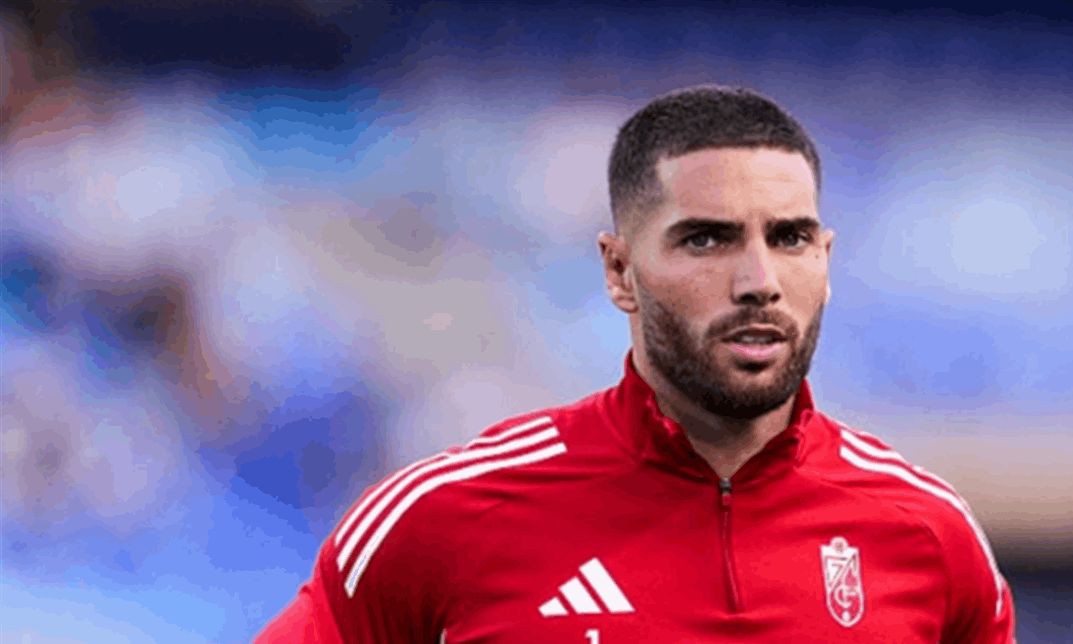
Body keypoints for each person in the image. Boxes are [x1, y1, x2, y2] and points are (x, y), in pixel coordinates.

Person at [258, 85, 1015, 643]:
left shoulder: (928, 531)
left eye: (789, 238)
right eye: (706, 239)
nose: (759, 280)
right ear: (619, 271)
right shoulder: (445, 514)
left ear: (826, 258)